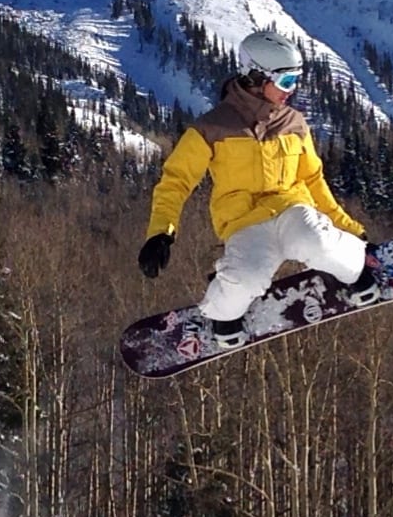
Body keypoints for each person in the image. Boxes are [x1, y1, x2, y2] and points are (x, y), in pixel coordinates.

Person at [137, 28, 378, 348]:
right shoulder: (211, 128)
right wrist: (160, 233)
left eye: (295, 81)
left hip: (293, 209)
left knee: (317, 241)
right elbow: (176, 181)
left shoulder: (294, 124)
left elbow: (313, 180)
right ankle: (223, 309)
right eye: (286, 81)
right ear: (256, 76)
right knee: (245, 278)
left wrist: (349, 227)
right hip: (244, 222)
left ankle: (357, 269)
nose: (291, 91)